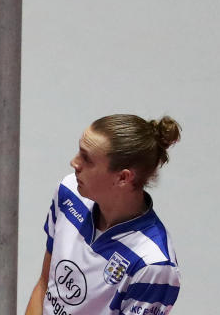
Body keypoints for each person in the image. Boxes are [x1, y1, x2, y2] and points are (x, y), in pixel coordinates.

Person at [24, 114, 182, 315]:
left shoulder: (153, 264)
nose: (74, 162)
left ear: (123, 177)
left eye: (87, 159)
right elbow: (44, 284)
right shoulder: (69, 194)